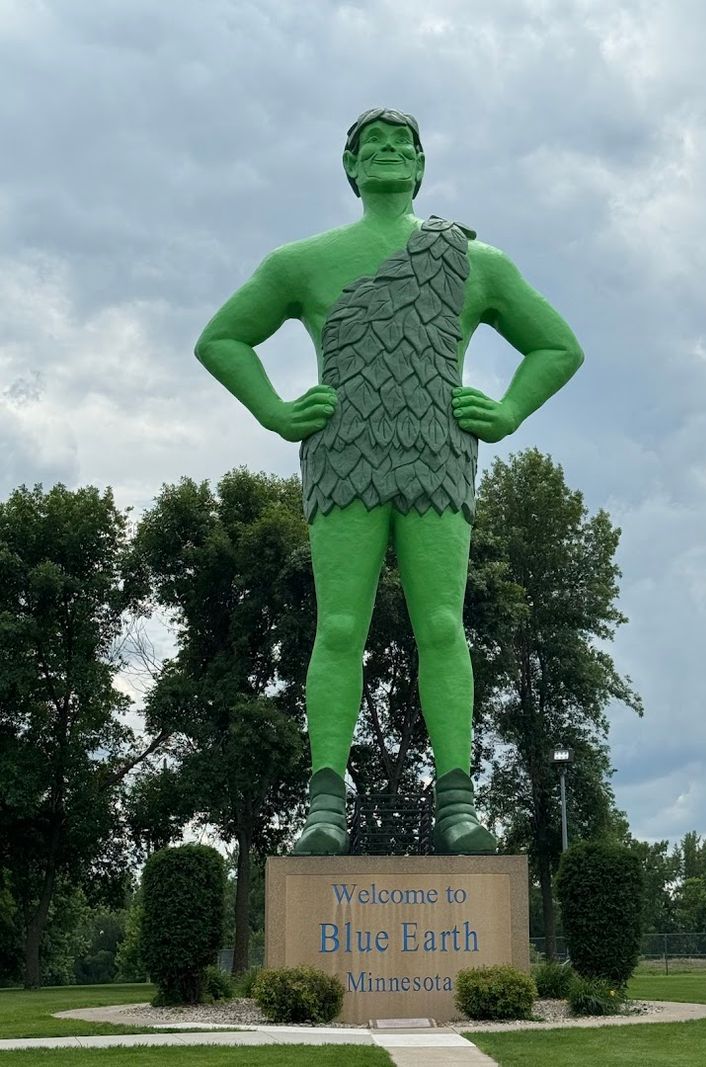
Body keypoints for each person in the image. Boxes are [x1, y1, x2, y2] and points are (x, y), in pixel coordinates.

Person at [195, 107, 584, 855]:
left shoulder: (474, 261)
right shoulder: (301, 262)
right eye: (370, 145)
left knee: (442, 623)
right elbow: (221, 337)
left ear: (420, 165)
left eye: (399, 145)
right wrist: (277, 410)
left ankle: (458, 802)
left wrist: (506, 410)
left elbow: (558, 346)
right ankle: (323, 806)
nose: (385, 152)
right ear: (349, 167)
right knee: (340, 626)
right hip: (344, 459)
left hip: (438, 458)